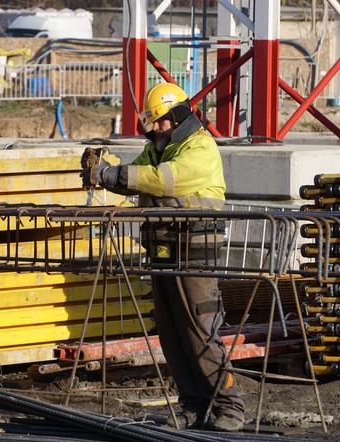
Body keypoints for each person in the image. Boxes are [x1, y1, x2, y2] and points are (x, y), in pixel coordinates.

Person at [80, 82, 244, 432]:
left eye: (160, 122)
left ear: (178, 116)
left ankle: (230, 406)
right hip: (163, 252)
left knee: (200, 330)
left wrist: (112, 174)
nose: (155, 128)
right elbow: (134, 175)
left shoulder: (199, 149)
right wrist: (105, 171)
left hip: (195, 255)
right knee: (171, 335)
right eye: (152, 123)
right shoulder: (158, 147)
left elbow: (161, 181)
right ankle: (193, 406)